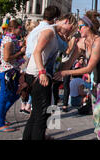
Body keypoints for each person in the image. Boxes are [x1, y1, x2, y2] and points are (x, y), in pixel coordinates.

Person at [58, 11, 100, 140]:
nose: (79, 29)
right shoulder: (82, 42)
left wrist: (65, 73)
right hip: (96, 79)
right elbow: (70, 61)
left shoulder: (99, 42)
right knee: (97, 112)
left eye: (81, 27)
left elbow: (89, 68)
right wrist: (59, 71)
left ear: (89, 27)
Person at [23, 8, 77, 140]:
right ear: (65, 21)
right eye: (70, 28)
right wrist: (42, 72)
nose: (70, 31)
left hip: (37, 74)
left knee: (37, 114)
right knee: (42, 116)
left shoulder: (52, 32)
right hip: (38, 75)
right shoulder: (48, 31)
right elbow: (36, 52)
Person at [0, 19, 25, 132]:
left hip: (13, 71)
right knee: (4, 97)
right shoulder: (8, 40)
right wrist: (20, 52)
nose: (20, 31)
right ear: (13, 29)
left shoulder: (12, 39)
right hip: (8, 71)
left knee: (15, 95)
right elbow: (7, 58)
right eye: (19, 28)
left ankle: (1, 116)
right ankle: (0, 123)